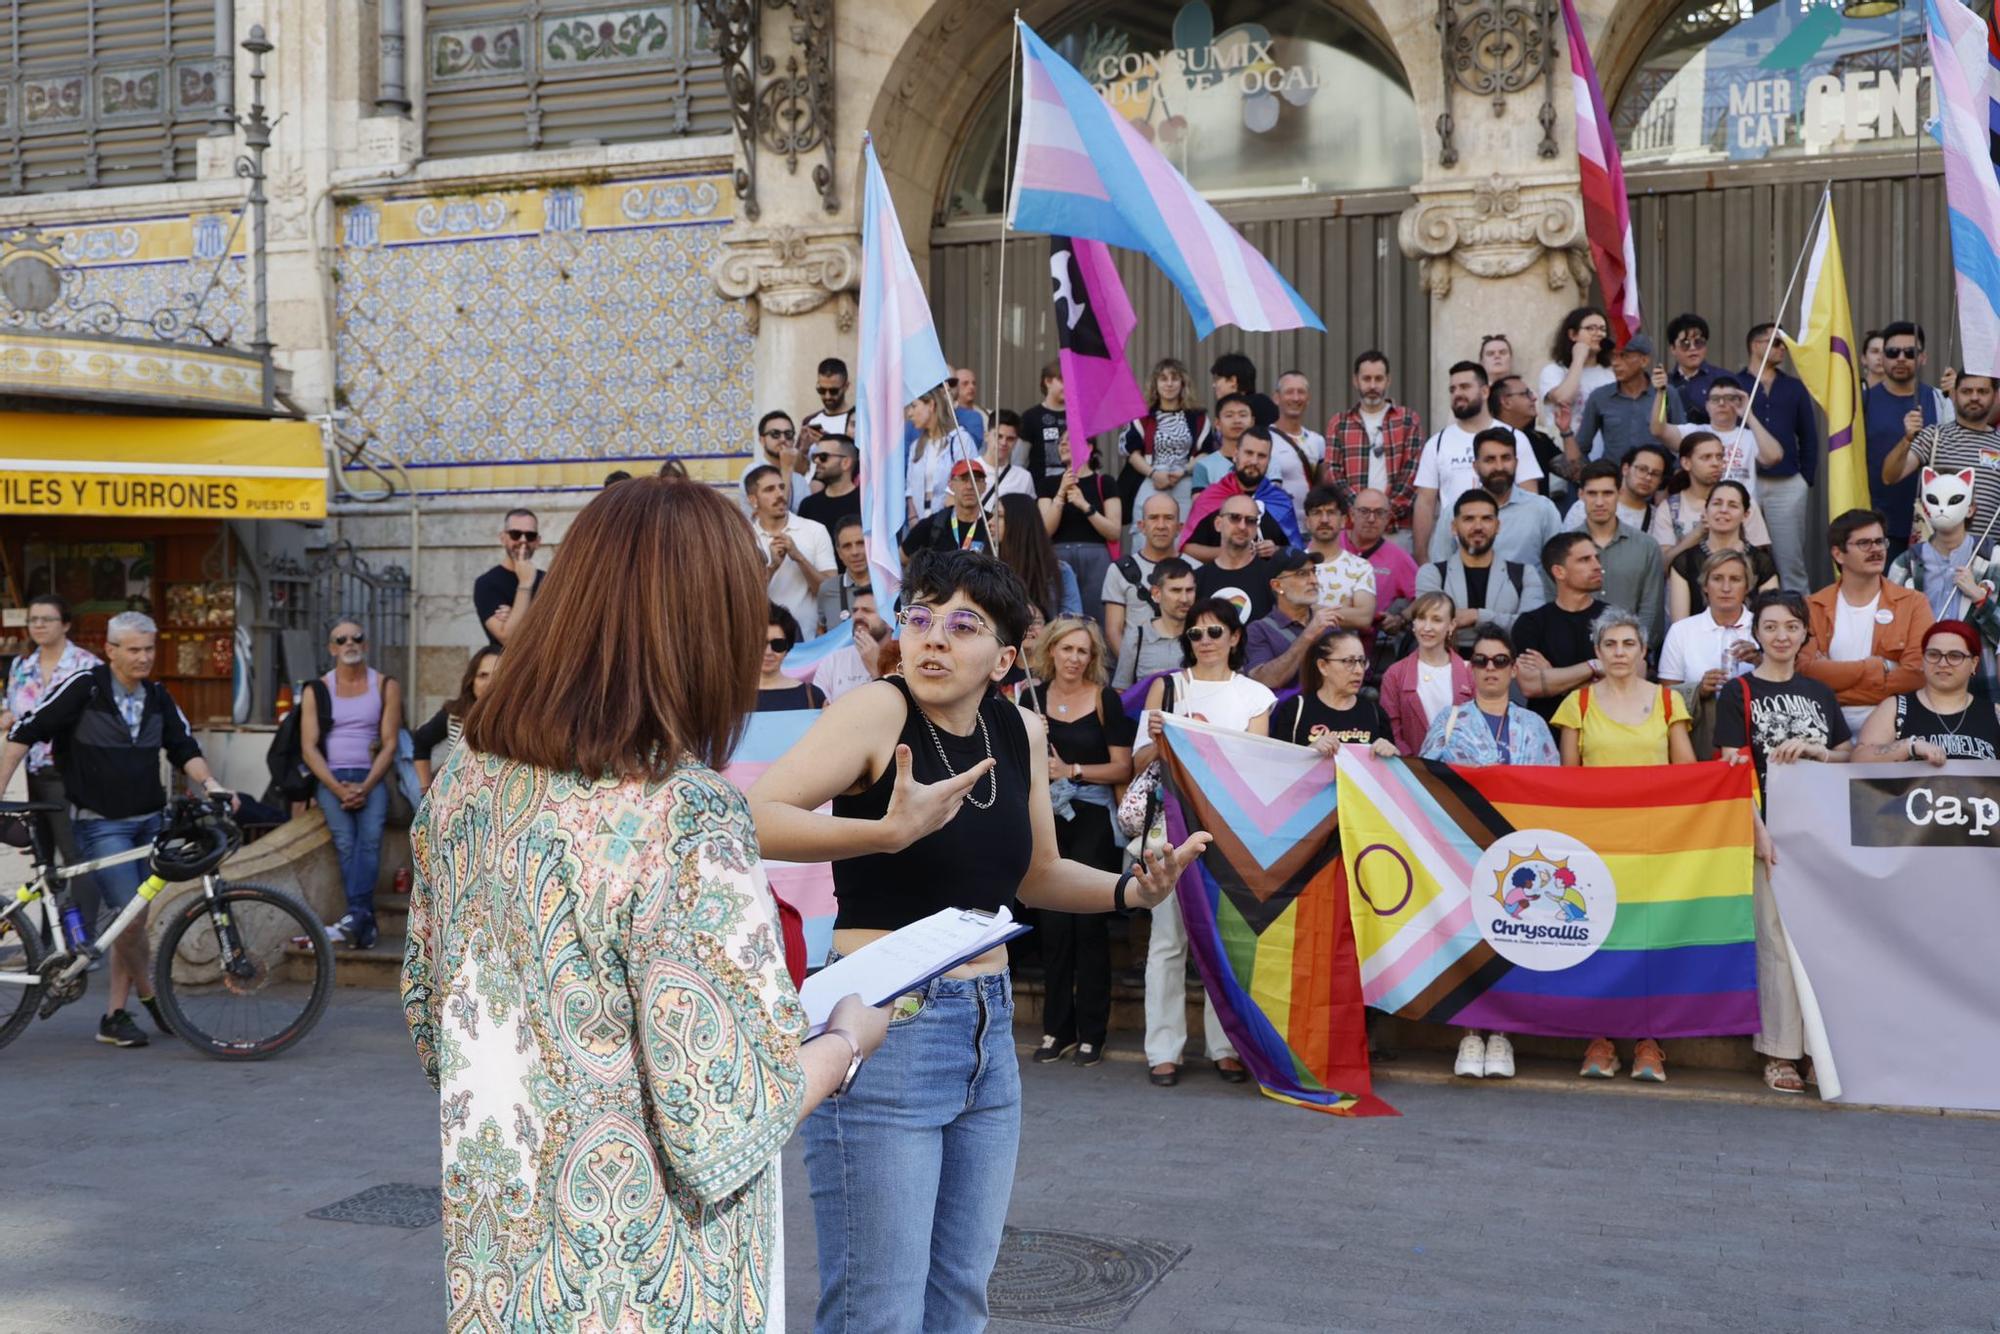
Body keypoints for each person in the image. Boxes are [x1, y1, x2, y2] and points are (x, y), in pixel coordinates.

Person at [403, 476, 891, 1331]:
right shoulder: (685, 811)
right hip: (653, 1276)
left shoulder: (463, 784)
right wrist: (847, 1041)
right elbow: (722, 1118)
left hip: (503, 1257)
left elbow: (430, 1022)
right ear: (703, 627)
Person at [747, 548, 1204, 1330]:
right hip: (887, 1027)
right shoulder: (879, 712)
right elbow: (753, 818)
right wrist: (885, 832)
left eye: (962, 625)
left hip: (989, 1036)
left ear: (1004, 656)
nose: (932, 639)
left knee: (960, 1296)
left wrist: (1131, 889)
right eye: (919, 618)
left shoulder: (1018, 729)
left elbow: (1037, 876)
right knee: (877, 1310)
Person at [1, 611, 233, 1048]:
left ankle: (118, 1014)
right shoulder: (84, 688)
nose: (144, 657)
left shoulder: (158, 697)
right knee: (130, 921)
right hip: (100, 824)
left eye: (149, 648)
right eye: (133, 649)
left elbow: (184, 747)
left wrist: (213, 784)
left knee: (132, 921)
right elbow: (25, 732)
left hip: (149, 823)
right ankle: (142, 1002)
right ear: (110, 651)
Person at [1713, 589, 1853, 1094]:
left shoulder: (1820, 693)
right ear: (1757, 633)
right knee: (1773, 944)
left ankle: (1821, 1049)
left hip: (1818, 833)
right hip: (1766, 831)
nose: (1780, 636)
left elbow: (1846, 755)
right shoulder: (1738, 692)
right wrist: (1757, 832)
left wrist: (1820, 751)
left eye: (1791, 627)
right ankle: (1779, 1052)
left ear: (1803, 634)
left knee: (1820, 944)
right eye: (1770, 626)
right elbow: (1731, 768)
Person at [1132, 597, 1273, 1089]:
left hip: (1229, 834)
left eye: (1216, 632)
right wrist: (1159, 738)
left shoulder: (1255, 695)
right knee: (1168, 942)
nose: (1206, 642)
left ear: (1235, 638)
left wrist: (1210, 743)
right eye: (1196, 633)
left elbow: (1256, 769)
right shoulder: (1166, 687)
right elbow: (1138, 763)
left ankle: (1226, 1045)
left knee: (1227, 945)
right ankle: (1162, 1049)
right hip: (1169, 831)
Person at [1552, 606, 1694, 1082]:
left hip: (1656, 843)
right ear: (1597, 652)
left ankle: (1650, 1044)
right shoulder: (1579, 704)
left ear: (1643, 651)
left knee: (1651, 943)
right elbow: (1567, 782)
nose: (1619, 652)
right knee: (1602, 943)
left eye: (1628, 644)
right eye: (1610, 644)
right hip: (1597, 845)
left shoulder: (1670, 702)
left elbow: (1690, 777)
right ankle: (1600, 1039)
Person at [1026, 618, 1135, 1068]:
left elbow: (1121, 768)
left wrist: (1071, 770)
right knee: (1053, 925)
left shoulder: (1104, 699)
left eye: (1083, 651)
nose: (1074, 658)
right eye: (1067, 649)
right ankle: (1056, 1028)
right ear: (1051, 650)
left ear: (1092, 659)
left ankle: (1093, 1031)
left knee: (1088, 926)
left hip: (1091, 817)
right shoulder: (1029, 698)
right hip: (1046, 820)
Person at [299, 618, 401, 950]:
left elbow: (389, 743)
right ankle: (362, 919)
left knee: (369, 842)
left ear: (366, 644)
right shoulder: (319, 688)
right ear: (332, 649)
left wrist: (366, 786)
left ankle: (357, 917)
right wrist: (339, 788)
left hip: (371, 778)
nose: (349, 644)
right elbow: (309, 746)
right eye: (341, 640)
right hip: (333, 779)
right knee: (345, 843)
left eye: (356, 638)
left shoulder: (385, 685)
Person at [0, 594, 99, 918]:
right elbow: (13, 710)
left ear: (66, 624)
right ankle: (47, 939)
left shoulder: (87, 666)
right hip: (26, 777)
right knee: (37, 859)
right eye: (33, 620)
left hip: (67, 773)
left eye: (47, 619)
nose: (39, 625)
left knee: (75, 856)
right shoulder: (21, 666)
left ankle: (82, 940)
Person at [1797, 508, 1934, 732]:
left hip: (1894, 727)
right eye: (1864, 543)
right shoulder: (1812, 607)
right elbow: (1806, 673)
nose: (1876, 549)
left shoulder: (1914, 603)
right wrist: (1875, 668)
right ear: (1838, 554)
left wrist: (1836, 684)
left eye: (1880, 542)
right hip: (1825, 728)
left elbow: (1917, 675)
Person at [1411, 361, 1544, 559]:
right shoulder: (1436, 444)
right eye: (1452, 389)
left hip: (1510, 552)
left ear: (1484, 391)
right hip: (1455, 553)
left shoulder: (1515, 438)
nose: (1457, 393)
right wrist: (1421, 557)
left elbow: (1530, 498)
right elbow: (1425, 503)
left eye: (1465, 387)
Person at [1887, 466, 1999, 693]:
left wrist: (1979, 598)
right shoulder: (1904, 564)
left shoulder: (1994, 558)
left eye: (1954, 500)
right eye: (1934, 500)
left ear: (1971, 509)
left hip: (1979, 685)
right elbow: (1890, 633)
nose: (1942, 509)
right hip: (1922, 682)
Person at [1738, 321, 1821, 592]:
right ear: (1754, 345)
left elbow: (1809, 436)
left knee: (1790, 560)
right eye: (1775, 342)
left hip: (1788, 483)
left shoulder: (1795, 387)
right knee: (1741, 557)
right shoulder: (1734, 384)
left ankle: (1801, 622)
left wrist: (1804, 479)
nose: (1782, 349)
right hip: (1744, 482)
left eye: (1783, 344)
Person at [1659, 548, 1760, 757]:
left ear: (1748, 586)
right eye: (1717, 579)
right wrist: (1699, 690)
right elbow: (1664, 696)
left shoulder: (1764, 626)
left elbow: (1789, 677)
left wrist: (1761, 661)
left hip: (1756, 730)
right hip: (1700, 735)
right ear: (1705, 586)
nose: (1725, 588)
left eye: (1735, 579)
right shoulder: (1682, 631)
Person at [1415, 491, 1544, 654]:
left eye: (1486, 519)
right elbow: (1431, 626)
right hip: (1447, 664)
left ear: (1498, 526)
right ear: (1454, 527)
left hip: (1505, 666)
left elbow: (1531, 628)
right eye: (1469, 519)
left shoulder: (1524, 574)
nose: (1478, 527)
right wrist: (1505, 621)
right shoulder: (1432, 574)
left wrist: (1476, 616)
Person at [1853, 620, 2000, 762]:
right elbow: (1859, 759)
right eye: (1933, 655)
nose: (1943, 663)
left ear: (1974, 664)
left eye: (1955, 656)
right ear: (1923, 659)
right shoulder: (1897, 708)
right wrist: (1909, 747)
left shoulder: (1995, 714)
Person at [1879, 372, 2000, 542]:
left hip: (1988, 558)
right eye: (1966, 391)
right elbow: (1889, 476)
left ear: (1994, 396)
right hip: (1934, 554)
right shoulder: (1934, 435)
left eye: (1982, 391)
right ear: (1954, 394)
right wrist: (1907, 439)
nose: (1974, 397)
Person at [1324, 350, 1425, 550]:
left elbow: (1413, 472)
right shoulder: (1340, 423)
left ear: (1388, 381)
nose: (1372, 386)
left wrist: (1384, 513)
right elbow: (1333, 473)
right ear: (1355, 381)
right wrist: (1360, 513)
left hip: (1396, 528)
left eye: (1378, 379)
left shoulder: (1407, 419)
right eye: (1366, 378)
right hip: (1351, 529)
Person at [1862, 322, 1943, 554]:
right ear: (1882, 357)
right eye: (1892, 352)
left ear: (1923, 358)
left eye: (1910, 353)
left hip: (1931, 521)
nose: (1900, 358)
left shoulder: (1940, 401)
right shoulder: (1862, 401)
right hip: (1877, 522)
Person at [1514, 532, 1611, 722]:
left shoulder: (1615, 620)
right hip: (1549, 735)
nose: (1597, 566)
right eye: (1585, 560)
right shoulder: (1531, 624)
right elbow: (1531, 686)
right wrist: (1594, 667)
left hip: (1604, 731)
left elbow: (1625, 684)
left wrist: (1552, 676)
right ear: (1559, 571)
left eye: (1596, 558)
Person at [1430, 426, 1561, 566]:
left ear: (1516, 463)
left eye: (1506, 458)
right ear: (1475, 466)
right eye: (1490, 460)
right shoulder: (1454, 512)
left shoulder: (1542, 509)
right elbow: (1440, 569)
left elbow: (1558, 568)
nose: (1499, 467)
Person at [1568, 462, 1664, 636]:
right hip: (1574, 653)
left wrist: (1641, 650)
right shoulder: (1565, 547)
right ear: (1580, 495)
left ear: (1619, 493)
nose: (1599, 502)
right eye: (1592, 494)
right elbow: (1554, 603)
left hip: (1631, 653)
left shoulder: (1646, 546)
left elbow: (1651, 609)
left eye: (1607, 493)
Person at [1270, 628, 1397, 757]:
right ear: (1323, 666)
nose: (1359, 670)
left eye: (1362, 661)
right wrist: (1310, 751)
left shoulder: (1374, 712)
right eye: (1349, 661)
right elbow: (1277, 763)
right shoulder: (1296, 709)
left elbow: (1392, 770)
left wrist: (1389, 753)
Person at [1650, 428, 1774, 559]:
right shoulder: (1669, 509)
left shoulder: (1743, 503)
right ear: (1686, 463)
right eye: (1706, 457)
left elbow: (1760, 560)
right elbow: (1663, 565)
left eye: (1719, 457)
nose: (1715, 463)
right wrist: (1697, 534)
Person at [746, 463, 837, 637]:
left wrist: (799, 558)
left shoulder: (815, 530)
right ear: (753, 500)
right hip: (762, 642)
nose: (780, 494)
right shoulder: (745, 538)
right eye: (769, 489)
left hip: (809, 641)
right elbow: (745, 598)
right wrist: (772, 567)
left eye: (781, 487)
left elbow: (831, 593)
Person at [1378, 589, 1474, 753]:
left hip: (1459, 771)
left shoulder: (1471, 672)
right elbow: (1391, 731)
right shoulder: (1395, 674)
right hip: (1411, 772)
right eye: (1421, 618)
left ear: (1451, 625)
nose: (1427, 627)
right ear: (1413, 624)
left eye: (1436, 620)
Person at [1666, 482, 1778, 620]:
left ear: (1746, 514)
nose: (1723, 510)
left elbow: (1771, 618)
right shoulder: (1684, 561)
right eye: (1717, 503)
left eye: (1733, 505)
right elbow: (1679, 625)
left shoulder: (1762, 562)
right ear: (1705, 510)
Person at [1182, 430, 1299, 560]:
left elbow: (1297, 551)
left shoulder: (1280, 501)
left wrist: (1277, 550)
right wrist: (1229, 553)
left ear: (1269, 461)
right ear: (1236, 455)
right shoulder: (1210, 497)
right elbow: (1188, 548)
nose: (1254, 461)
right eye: (1249, 453)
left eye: (1261, 456)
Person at [1574, 333, 1686, 467]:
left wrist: (1674, 478)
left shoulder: (1666, 394)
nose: (1615, 363)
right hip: (1615, 481)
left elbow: (1684, 444)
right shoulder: (1599, 397)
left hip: (1659, 481)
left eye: (1623, 356)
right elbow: (1580, 447)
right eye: (1612, 356)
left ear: (1644, 360)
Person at [1122, 357, 1212, 523]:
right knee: (1145, 531)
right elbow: (1132, 454)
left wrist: (1183, 471)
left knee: (1183, 532)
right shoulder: (1142, 417)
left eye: (1174, 378)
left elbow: (1205, 452)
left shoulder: (1198, 418)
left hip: (1185, 479)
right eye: (1163, 379)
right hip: (1151, 479)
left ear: (1182, 383)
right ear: (1155, 384)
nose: (1169, 384)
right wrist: (1154, 474)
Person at [1040, 450, 1122, 626]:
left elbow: (1114, 531)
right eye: (1061, 441)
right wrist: (1061, 493)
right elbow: (1044, 531)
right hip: (1058, 556)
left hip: (1096, 557)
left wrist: (1085, 505)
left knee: (1098, 619)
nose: (1062, 444)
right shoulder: (1049, 484)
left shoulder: (1105, 482)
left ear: (1088, 446)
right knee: (1060, 619)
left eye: (1068, 438)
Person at [1103, 492, 1187, 657]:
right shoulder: (1118, 570)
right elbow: (1113, 631)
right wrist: (1133, 671)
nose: (1161, 525)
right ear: (1141, 526)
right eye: (1153, 518)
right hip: (1136, 670)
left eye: (1169, 518)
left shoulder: (1196, 569)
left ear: (1179, 527)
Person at [1244, 551, 1344, 689]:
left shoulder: (1327, 622)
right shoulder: (1258, 630)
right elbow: (1264, 681)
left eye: (1314, 572)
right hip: (1287, 710)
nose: (1314, 580)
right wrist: (1308, 635)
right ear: (1277, 586)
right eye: (1302, 574)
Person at [1339, 486, 1421, 641]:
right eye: (1364, 511)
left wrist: (1401, 618)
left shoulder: (1398, 558)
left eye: (1379, 513)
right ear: (1352, 514)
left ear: (1388, 518)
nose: (1371, 519)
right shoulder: (1332, 543)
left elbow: (1425, 596)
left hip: (1365, 649)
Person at [1193, 494, 1289, 625]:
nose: (1242, 526)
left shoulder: (1273, 579)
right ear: (1218, 524)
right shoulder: (1197, 579)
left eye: (1250, 520)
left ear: (1256, 529)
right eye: (1235, 518)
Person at [411, 646, 498, 789]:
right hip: (459, 800)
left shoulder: (519, 719)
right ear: (472, 681)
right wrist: (425, 789)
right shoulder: (455, 714)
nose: (490, 683)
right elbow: (421, 740)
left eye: (498, 674)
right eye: (483, 675)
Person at [993, 490, 1080, 620]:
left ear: (1020, 522)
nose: (989, 522)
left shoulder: (1061, 571)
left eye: (999, 516)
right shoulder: (987, 569)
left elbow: (1072, 623)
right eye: (991, 516)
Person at [1113, 557, 1198, 690]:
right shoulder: (1137, 636)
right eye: (1176, 590)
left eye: (1189, 590)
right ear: (1156, 593)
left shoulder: (1203, 636)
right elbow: (1122, 691)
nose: (1184, 599)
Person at [1492, 372, 1572, 500]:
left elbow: (1576, 473)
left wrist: (1566, 431)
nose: (1534, 399)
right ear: (1506, 402)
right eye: (1526, 394)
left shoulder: (1539, 439)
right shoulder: (1487, 441)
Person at [1701, 378, 1783, 502]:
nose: (1722, 403)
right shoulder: (1694, 432)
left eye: (1729, 398)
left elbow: (1774, 457)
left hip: (1744, 510)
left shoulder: (1750, 436)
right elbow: (1660, 430)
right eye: (1715, 399)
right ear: (1707, 405)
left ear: (1739, 402)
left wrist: (1748, 415)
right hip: (1706, 507)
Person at [1561, 442, 1671, 533]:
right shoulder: (1588, 506)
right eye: (1642, 469)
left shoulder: (1658, 518)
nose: (1648, 477)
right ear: (1625, 469)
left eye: (1655, 474)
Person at [472, 508, 543, 647]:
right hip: (506, 666)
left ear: (538, 541)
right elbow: (508, 638)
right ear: (503, 538)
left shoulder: (550, 581)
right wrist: (525, 584)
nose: (523, 540)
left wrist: (517, 618)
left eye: (530, 535)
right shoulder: (487, 583)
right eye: (515, 534)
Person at [907, 384, 978, 522]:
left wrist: (943, 522)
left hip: (948, 523)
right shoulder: (916, 446)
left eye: (914, 406)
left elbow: (967, 482)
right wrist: (913, 518)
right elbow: (910, 488)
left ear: (931, 405)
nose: (909, 413)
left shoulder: (960, 441)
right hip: (919, 525)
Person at [1537, 306, 1616, 428]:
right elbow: (1563, 399)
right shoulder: (1554, 371)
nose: (1598, 334)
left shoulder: (1611, 373)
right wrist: (1578, 358)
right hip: (1564, 443)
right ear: (1573, 334)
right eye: (1590, 328)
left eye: (1602, 329)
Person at [905, 457, 998, 556]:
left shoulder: (993, 526)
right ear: (951, 485)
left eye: (976, 480)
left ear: (984, 486)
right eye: (963, 479)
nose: (970, 486)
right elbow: (901, 559)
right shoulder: (933, 525)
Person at [816, 590, 891, 703]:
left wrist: (875, 669)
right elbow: (818, 711)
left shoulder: (904, 659)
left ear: (890, 619)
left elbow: (898, 706)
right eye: (855, 610)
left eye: (867, 610)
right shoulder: (833, 661)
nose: (857, 616)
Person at [1268, 369, 1325, 512]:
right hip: (1276, 526)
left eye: (1301, 392)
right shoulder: (1264, 439)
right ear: (1276, 398)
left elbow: (1322, 487)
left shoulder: (1317, 441)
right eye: (1289, 392)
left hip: (1309, 527)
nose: (1295, 398)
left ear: (1308, 398)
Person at [756, 605, 828, 712]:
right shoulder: (731, 698)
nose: (768, 652)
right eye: (761, 644)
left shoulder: (812, 696)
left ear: (787, 648)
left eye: (778, 644)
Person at [1664, 312, 1729, 423]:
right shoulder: (1665, 383)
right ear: (1673, 349)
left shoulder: (1725, 378)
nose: (1693, 348)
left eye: (1698, 342)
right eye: (1685, 343)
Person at [817, 513, 874, 636]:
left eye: (860, 543)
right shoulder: (827, 590)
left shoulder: (893, 586)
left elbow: (905, 624)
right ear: (839, 553)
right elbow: (821, 633)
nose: (855, 552)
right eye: (847, 546)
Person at [745, 409, 812, 511]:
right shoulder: (752, 472)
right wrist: (786, 469)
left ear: (794, 440)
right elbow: (776, 514)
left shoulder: (799, 480)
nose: (782, 439)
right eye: (775, 434)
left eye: (788, 434)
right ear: (762, 440)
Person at [1191, 391, 1257, 489]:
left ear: (1252, 422)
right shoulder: (1203, 466)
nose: (1237, 421)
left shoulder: (1265, 461)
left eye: (1243, 415)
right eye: (1229, 415)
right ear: (1217, 423)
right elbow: (1201, 503)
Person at [1019, 359, 1069, 486]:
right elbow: (1019, 460)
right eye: (1063, 380)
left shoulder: (1078, 416)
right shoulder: (1030, 417)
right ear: (1048, 382)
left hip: (1074, 491)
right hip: (1040, 492)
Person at [797, 432, 861, 531]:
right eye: (815, 457)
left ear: (846, 462)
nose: (817, 461)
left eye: (823, 457)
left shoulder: (866, 502)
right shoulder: (808, 505)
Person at [980, 408, 1036, 508]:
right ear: (986, 436)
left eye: (1010, 439)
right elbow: (951, 507)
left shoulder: (1024, 477)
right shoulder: (968, 468)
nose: (1003, 443)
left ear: (1016, 442)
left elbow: (1028, 518)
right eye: (999, 436)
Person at [1210, 351, 1278, 432]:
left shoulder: (1261, 405)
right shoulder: (1263, 403)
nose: (1214, 385)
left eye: (1217, 379)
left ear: (1232, 381)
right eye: (1229, 415)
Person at [801, 355, 853, 443]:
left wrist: (826, 442)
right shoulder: (810, 421)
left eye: (833, 391)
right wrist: (803, 450)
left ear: (846, 386)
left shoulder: (856, 421)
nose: (827, 396)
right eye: (822, 390)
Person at [949, 366, 987, 445]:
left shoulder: (987, 414)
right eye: (965, 383)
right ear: (954, 386)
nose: (971, 387)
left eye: (974, 383)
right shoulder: (949, 412)